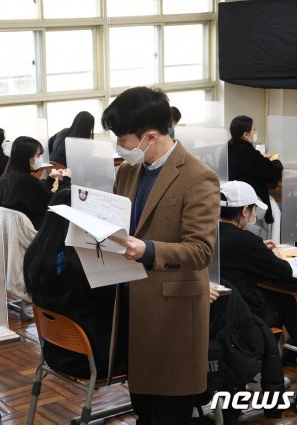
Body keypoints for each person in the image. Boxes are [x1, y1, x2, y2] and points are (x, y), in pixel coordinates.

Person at [103, 86, 219, 424]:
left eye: (123, 140)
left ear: (150, 136)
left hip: (174, 312)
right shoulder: (127, 171)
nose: (120, 148)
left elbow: (200, 250)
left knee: (168, 411)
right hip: (132, 302)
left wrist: (148, 249)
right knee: (142, 406)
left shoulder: (198, 177)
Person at [24, 188, 127, 379]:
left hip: (55, 352)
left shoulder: (37, 253)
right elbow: (115, 305)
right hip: (92, 361)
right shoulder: (81, 265)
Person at [218, 180, 297, 358]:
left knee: (281, 297)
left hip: (218, 308)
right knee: (283, 298)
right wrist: (275, 253)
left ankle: (287, 357)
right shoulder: (248, 241)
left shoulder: (209, 233)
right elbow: (284, 272)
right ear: (244, 211)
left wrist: (259, 250)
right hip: (243, 309)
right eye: (252, 210)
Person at [227, 115, 283, 239]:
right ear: (245, 134)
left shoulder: (225, 150)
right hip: (250, 201)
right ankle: (274, 247)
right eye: (253, 130)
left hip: (229, 202)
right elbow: (273, 173)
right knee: (275, 211)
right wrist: (276, 163)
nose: (254, 133)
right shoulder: (250, 154)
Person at [0, 136, 71, 230]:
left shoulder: (7, 177)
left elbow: (41, 195)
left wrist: (51, 178)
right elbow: (53, 203)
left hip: (19, 228)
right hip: (36, 229)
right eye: (38, 155)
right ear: (27, 157)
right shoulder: (26, 181)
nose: (40, 158)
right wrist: (66, 180)